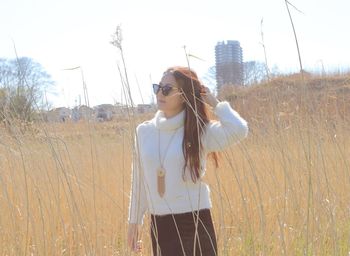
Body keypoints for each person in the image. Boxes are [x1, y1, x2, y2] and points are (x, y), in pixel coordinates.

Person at [127, 66, 248, 256]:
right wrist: (134, 221)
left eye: (167, 89)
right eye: (158, 87)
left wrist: (214, 103)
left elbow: (238, 130)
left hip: (195, 222)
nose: (160, 93)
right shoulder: (144, 132)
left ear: (184, 96)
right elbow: (139, 181)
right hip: (161, 225)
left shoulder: (198, 131)